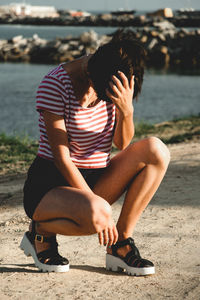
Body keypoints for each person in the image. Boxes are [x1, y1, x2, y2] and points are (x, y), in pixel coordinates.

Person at [20, 30, 170, 276]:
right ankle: (40, 232)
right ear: (94, 72)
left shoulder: (113, 80)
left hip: (96, 178)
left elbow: (122, 143)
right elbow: (62, 158)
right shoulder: (56, 83)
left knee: (157, 150)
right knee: (98, 215)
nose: (101, 98)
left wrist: (126, 110)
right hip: (51, 184)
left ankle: (120, 244)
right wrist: (98, 204)